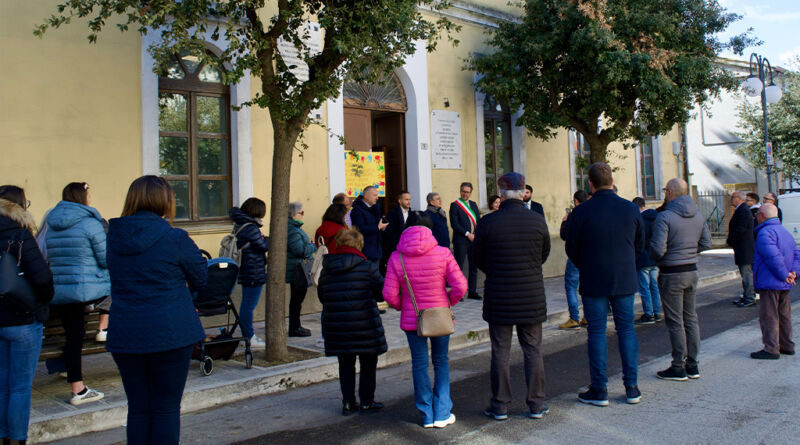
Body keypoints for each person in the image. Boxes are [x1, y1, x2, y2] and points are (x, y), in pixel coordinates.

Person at [106, 176, 208, 445]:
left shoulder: (114, 236)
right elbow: (201, 277)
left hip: (126, 331)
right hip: (170, 331)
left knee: (139, 408)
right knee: (165, 408)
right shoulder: (174, 237)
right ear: (166, 201)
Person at [473, 172, 551, 421]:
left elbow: (477, 258)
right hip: (531, 295)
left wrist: (495, 270)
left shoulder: (487, 222)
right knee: (533, 350)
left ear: (502, 194)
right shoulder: (537, 220)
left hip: (499, 295)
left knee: (500, 351)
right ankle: (536, 403)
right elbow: (543, 254)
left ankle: (500, 405)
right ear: (522, 192)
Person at [565, 162, 643, 407]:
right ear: (611, 181)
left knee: (597, 333)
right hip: (624, 277)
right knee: (626, 330)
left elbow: (571, 247)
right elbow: (640, 245)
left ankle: (599, 389)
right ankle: (632, 387)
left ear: (590, 184)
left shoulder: (582, 211)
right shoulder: (630, 209)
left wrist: (587, 264)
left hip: (594, 278)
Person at [383, 217, 467, 429]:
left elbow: (389, 294)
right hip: (439, 315)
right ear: (429, 229)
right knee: (441, 361)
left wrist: (401, 306)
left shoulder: (397, 257)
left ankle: (426, 414)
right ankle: (442, 412)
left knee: (419, 364)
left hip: (412, 319)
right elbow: (461, 286)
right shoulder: (443, 253)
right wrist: (449, 301)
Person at [45, 182, 109, 405]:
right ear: (82, 197)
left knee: (73, 337)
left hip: (59, 290)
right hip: (87, 291)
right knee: (117, 289)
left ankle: (77, 388)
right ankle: (104, 328)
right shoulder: (91, 224)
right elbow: (105, 259)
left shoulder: (51, 224)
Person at [0, 185, 54, 445]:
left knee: (1, 385)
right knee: (20, 386)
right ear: (19, 206)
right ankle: (17, 439)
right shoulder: (21, 234)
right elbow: (42, 279)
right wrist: (40, 302)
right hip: (23, 320)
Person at [317, 228, 387, 415]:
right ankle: (366, 401)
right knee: (368, 362)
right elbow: (381, 293)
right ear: (358, 244)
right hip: (365, 323)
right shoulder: (367, 267)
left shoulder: (327, 268)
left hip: (338, 324)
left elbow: (322, 296)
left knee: (345, 364)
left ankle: (348, 402)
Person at [648, 179, 712, 381]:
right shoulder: (698, 215)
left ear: (670, 192)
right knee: (691, 318)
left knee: (675, 321)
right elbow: (706, 242)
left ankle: (678, 365)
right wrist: (690, 253)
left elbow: (658, 249)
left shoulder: (665, 216)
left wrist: (657, 256)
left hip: (671, 272)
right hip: (691, 269)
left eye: (666, 190)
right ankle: (692, 364)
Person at [750, 204, 799, 359]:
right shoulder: (784, 231)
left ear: (762, 216)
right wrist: (793, 273)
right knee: (784, 314)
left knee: (769, 315)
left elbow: (772, 257)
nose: (756, 217)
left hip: (771, 281)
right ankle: (787, 345)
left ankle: (771, 348)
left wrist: (784, 274)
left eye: (757, 214)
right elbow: (796, 253)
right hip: (784, 282)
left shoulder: (765, 233)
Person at [229, 198, 270, 349]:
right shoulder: (251, 227)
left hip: (247, 268)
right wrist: (269, 239)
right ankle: (249, 336)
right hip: (253, 270)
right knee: (249, 305)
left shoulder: (240, 224)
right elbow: (261, 246)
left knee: (247, 303)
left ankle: (247, 334)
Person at [559, 190, 589, 330]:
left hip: (575, 255)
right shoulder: (592, 212)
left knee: (571, 286)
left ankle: (574, 318)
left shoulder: (573, 215)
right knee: (586, 286)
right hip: (589, 255)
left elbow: (564, 235)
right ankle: (587, 316)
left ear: (576, 201)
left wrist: (564, 222)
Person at [286, 201, 316, 337]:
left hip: (297, 268)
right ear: (294, 214)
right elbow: (300, 250)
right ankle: (294, 327)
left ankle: (296, 326)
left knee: (297, 300)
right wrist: (313, 246)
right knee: (297, 300)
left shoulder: (294, 228)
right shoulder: (292, 230)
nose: (303, 215)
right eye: (301, 212)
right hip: (297, 270)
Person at [632, 197, 662, 325]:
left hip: (643, 257)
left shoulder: (639, 220)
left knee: (644, 287)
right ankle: (657, 312)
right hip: (655, 257)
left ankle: (648, 314)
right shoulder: (656, 217)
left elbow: (637, 240)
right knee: (654, 286)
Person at [449, 182, 481, 300]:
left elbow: (478, 220)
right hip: (461, 240)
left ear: (470, 193)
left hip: (474, 240)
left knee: (474, 267)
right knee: (459, 267)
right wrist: (468, 234)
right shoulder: (455, 205)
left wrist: (475, 235)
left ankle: (472, 291)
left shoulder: (473, 204)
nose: (464, 194)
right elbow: (454, 224)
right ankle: (458, 292)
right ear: (460, 191)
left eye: (467, 192)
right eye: (463, 191)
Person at [727, 191, 756, 307]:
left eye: (732, 197)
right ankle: (746, 296)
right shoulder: (741, 210)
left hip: (744, 249)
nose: (731, 200)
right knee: (745, 274)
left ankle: (749, 297)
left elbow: (740, 229)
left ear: (738, 198)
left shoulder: (743, 211)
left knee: (746, 274)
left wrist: (731, 241)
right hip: (742, 248)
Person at [350, 186, 388, 263]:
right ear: (366, 196)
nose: (377, 198)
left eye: (377, 195)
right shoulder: (357, 210)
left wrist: (382, 228)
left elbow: (378, 225)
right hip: (365, 252)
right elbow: (359, 229)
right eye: (374, 195)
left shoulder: (375, 208)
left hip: (376, 250)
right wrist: (377, 227)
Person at [383, 190, 418, 266]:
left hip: (409, 249)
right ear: (399, 201)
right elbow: (389, 232)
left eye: (409, 199)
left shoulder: (413, 214)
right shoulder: (392, 213)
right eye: (406, 199)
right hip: (396, 248)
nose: (409, 202)